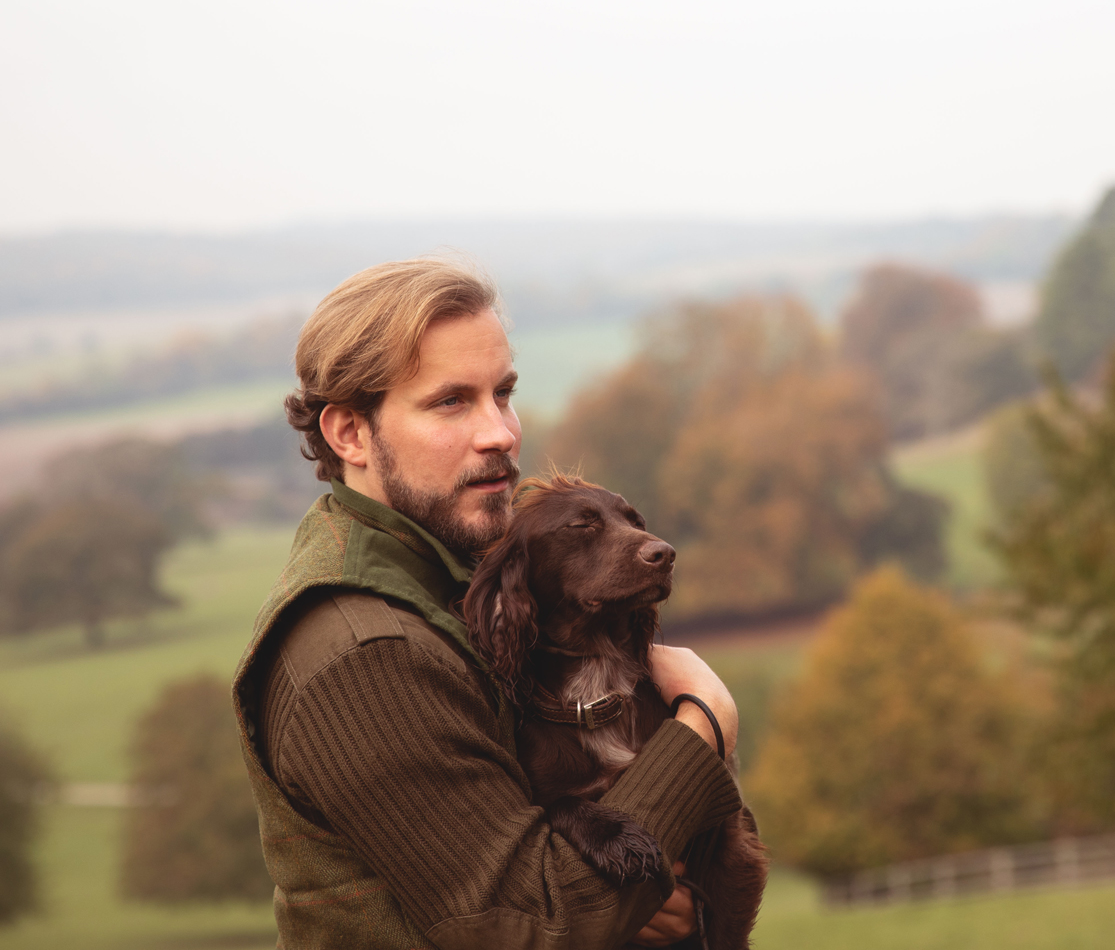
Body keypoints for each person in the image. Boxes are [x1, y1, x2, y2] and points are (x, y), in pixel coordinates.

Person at [231, 258, 742, 949]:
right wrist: (703, 727)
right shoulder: (363, 654)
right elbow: (533, 927)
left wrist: (658, 888)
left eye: (503, 394)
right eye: (451, 402)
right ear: (350, 434)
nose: (500, 432)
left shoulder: (460, 581)